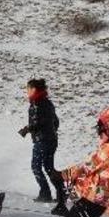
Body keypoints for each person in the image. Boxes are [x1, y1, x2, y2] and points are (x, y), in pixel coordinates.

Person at [18, 79, 66, 210]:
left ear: (34, 89)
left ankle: (45, 193)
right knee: (49, 167)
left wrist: (27, 129)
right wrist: (51, 132)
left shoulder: (36, 104)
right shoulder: (48, 103)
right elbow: (55, 121)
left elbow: (38, 123)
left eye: (28, 89)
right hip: (52, 140)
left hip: (42, 141)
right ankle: (61, 192)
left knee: (36, 166)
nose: (26, 92)